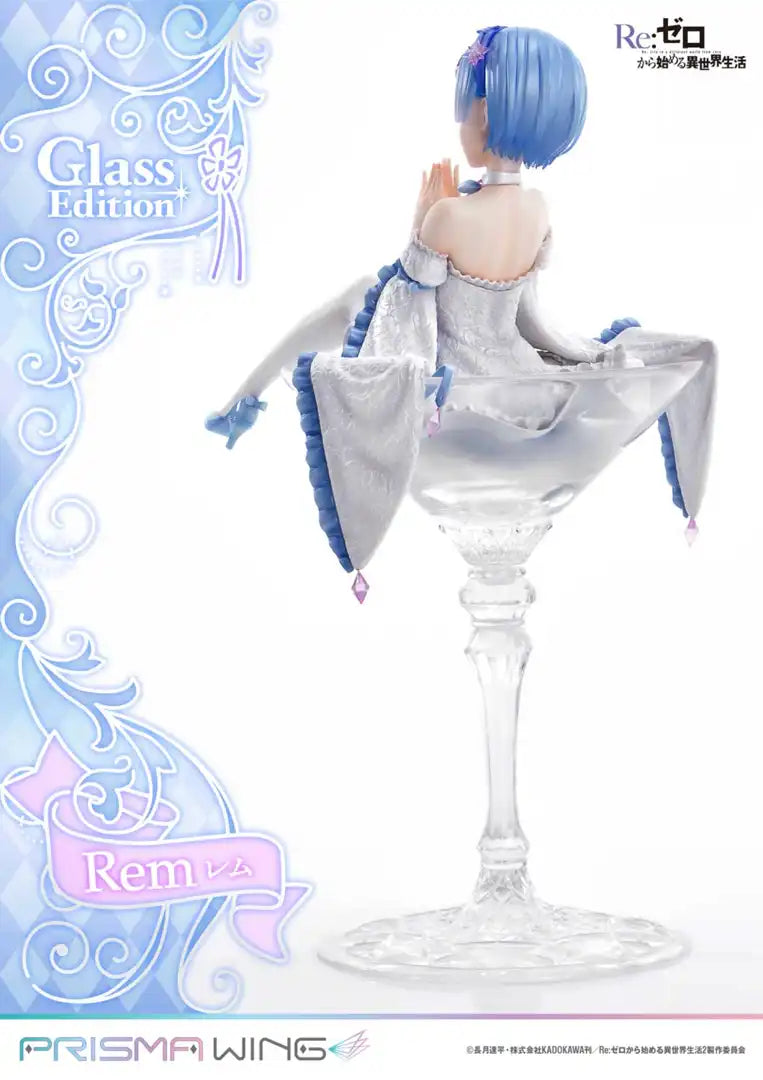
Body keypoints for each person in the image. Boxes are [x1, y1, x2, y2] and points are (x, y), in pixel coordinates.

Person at [206, 26, 715, 589]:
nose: (460, 125)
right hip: (519, 371)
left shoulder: (451, 216)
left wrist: (423, 221)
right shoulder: (538, 208)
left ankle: (243, 401)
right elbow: (527, 310)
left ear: (485, 115)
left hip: (458, 378)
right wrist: (573, 353)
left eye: (463, 111)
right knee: (356, 295)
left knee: (357, 294)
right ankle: (243, 401)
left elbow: (408, 300)